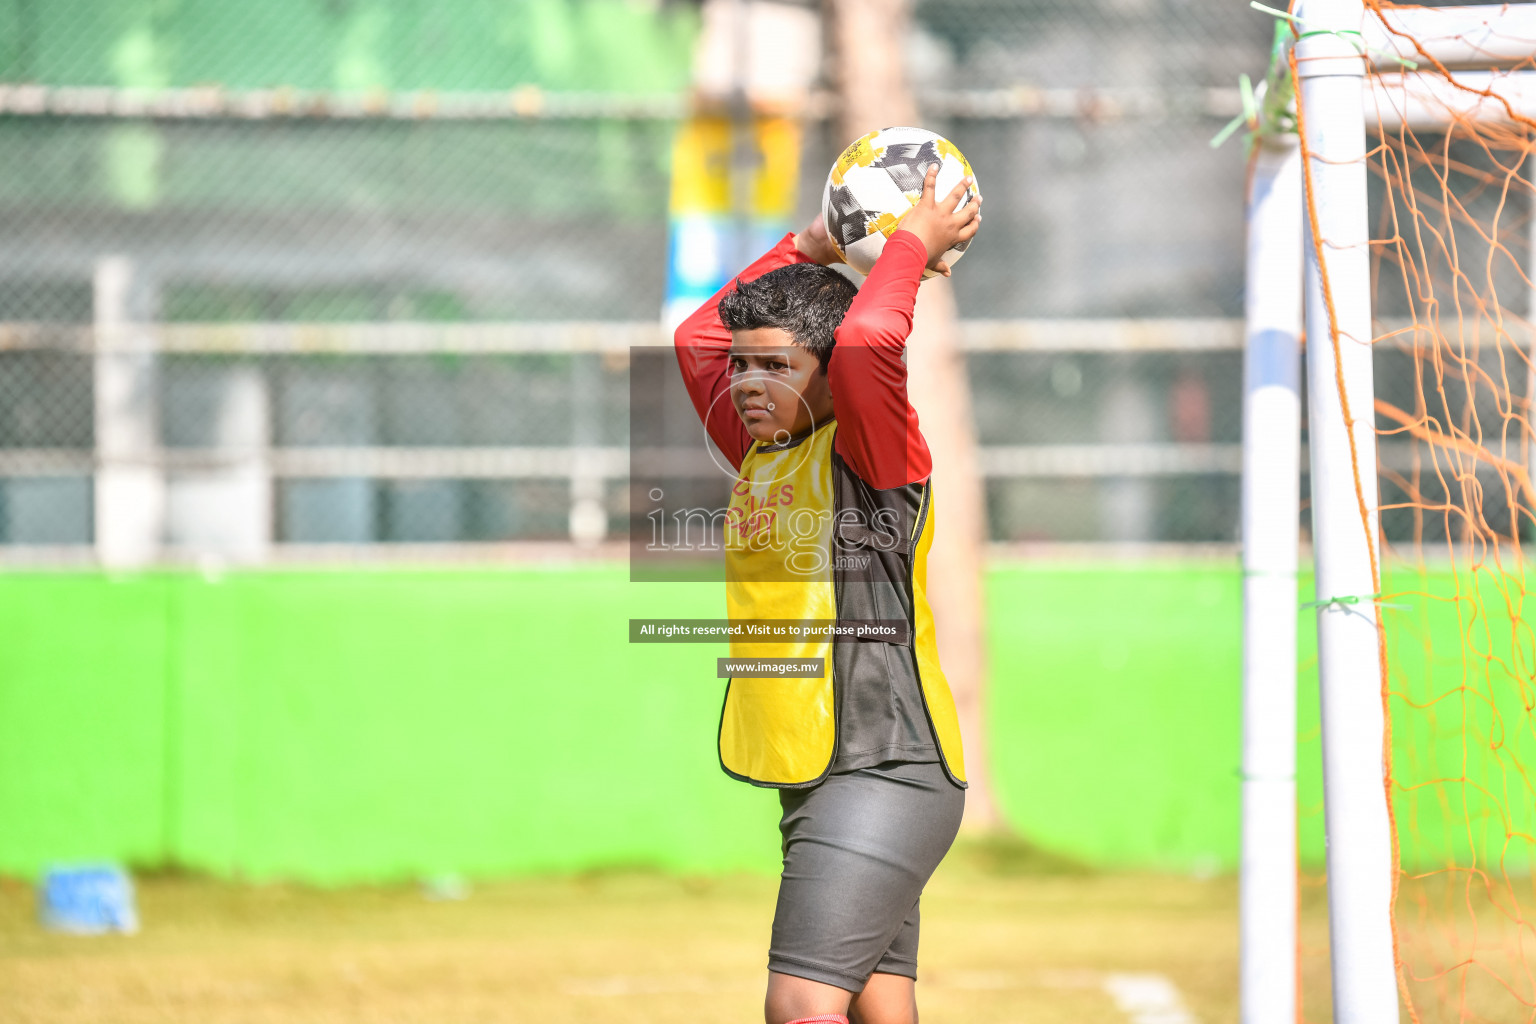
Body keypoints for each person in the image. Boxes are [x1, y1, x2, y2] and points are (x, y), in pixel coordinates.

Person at [671, 163, 982, 1024]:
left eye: (776, 365)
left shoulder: (871, 453)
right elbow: (699, 337)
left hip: (885, 765)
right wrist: (813, 242)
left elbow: (873, 340)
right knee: (881, 1008)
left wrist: (910, 240)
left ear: (826, 373)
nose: (746, 383)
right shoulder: (765, 447)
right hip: (820, 770)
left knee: (803, 1006)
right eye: (744, 368)